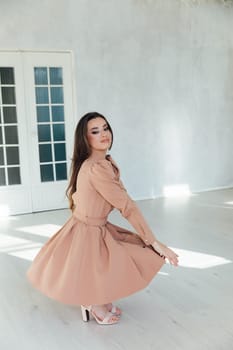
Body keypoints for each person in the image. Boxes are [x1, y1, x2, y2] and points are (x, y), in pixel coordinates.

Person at [27, 112, 178, 325]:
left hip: (93, 224)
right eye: (95, 131)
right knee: (104, 262)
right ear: (85, 138)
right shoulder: (96, 167)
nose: (103, 134)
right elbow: (126, 206)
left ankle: (96, 298)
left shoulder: (100, 161)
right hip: (88, 227)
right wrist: (155, 242)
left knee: (106, 261)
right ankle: (91, 301)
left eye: (105, 128)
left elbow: (114, 198)